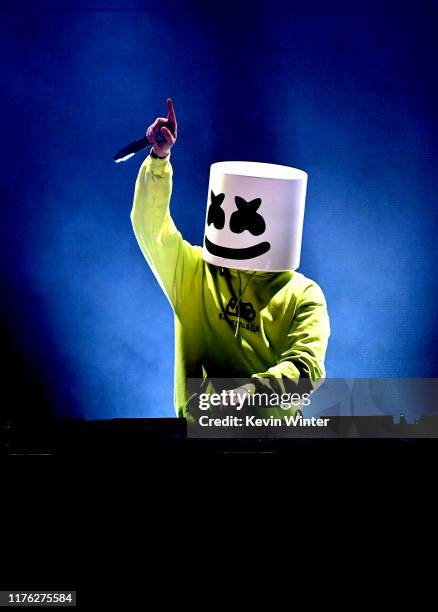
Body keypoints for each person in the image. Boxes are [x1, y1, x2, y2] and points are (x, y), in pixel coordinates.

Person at [131, 98, 330, 419]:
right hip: (198, 438)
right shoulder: (193, 271)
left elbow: (306, 368)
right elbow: (148, 226)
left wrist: (249, 394)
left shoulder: (303, 295)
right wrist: (158, 159)